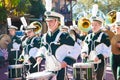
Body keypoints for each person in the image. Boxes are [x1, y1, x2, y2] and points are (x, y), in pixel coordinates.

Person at [36, 11, 81, 80]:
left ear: (57, 22)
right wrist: (40, 55)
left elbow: (77, 48)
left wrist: (66, 61)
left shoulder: (64, 36)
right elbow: (42, 48)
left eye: (51, 21)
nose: (48, 23)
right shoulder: (44, 36)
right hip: (48, 68)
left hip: (61, 70)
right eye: (47, 21)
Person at [110, 12, 120, 80]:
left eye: (119, 28)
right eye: (117, 27)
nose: (118, 29)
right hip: (113, 57)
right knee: (115, 75)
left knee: (119, 75)